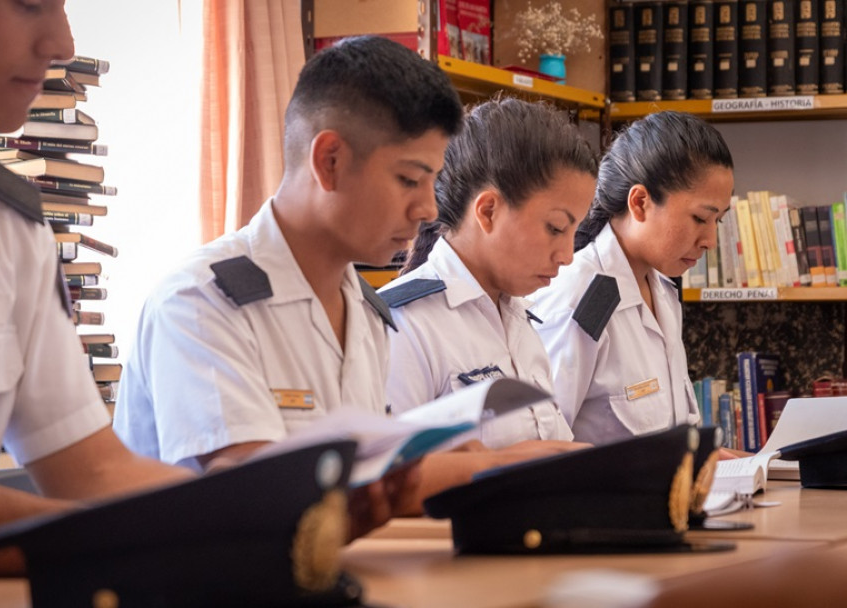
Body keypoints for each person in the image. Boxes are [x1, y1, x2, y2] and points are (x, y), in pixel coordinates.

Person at [114, 36, 572, 516]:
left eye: (432, 182)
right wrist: (493, 466)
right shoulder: (203, 301)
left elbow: (365, 480)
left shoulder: (363, 309)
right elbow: (260, 496)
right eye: (409, 179)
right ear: (329, 161)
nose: (428, 208)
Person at [0, 0, 193, 575]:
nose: (63, 42)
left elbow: (90, 468)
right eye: (30, 4)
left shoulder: (10, 226)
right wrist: (195, 535)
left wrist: (262, 510)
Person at [380, 97, 596, 450]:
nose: (568, 255)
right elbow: (385, 486)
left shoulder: (520, 321)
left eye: (575, 233)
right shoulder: (405, 325)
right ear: (489, 210)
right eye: (556, 228)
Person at [527, 111, 735, 445]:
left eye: (718, 222)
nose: (710, 240)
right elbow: (542, 449)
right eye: (700, 218)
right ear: (639, 203)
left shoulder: (663, 291)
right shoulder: (581, 299)